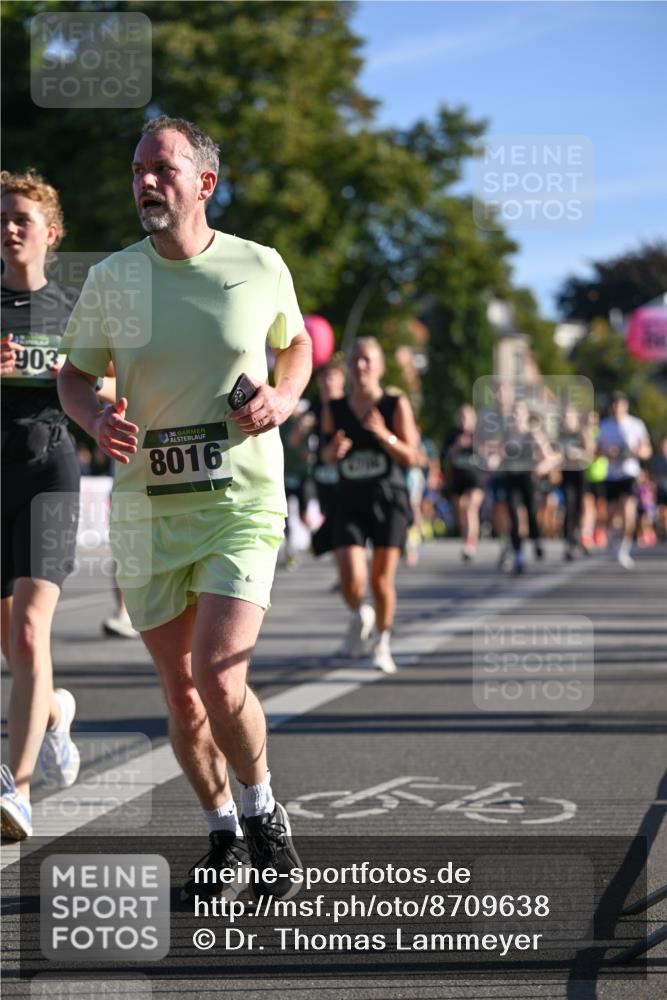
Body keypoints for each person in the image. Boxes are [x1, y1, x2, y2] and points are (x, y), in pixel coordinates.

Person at [58, 116, 312, 899]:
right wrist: (95, 416)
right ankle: (220, 833)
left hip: (241, 498)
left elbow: (295, 343)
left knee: (217, 673)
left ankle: (264, 808)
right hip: (148, 507)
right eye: (138, 169)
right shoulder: (113, 279)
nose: (145, 182)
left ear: (204, 183)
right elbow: (73, 374)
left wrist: (283, 394)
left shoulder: (258, 264)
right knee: (180, 694)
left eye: (162, 169)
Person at [1, 170, 84, 839]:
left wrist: (63, 376)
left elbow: (108, 385)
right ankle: (54, 711)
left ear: (48, 235)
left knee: (31, 630)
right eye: (2, 219)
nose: (8, 229)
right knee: (14, 645)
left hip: (49, 470)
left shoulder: (74, 310)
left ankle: (18, 789)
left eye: (22, 219)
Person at [320, 337, 420, 673]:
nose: (360, 366)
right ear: (348, 367)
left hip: (388, 500)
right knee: (351, 581)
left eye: (367, 360)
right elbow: (324, 453)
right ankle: (359, 614)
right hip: (349, 498)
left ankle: (382, 642)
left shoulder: (394, 404)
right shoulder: (335, 408)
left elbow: (412, 455)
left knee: (380, 581)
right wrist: (333, 452)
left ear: (379, 366)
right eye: (355, 361)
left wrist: (384, 434)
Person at [598, 392, 652, 569]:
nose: (617, 409)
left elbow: (647, 450)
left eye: (620, 406)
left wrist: (635, 452)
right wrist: (609, 453)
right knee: (612, 515)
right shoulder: (604, 426)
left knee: (629, 513)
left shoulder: (635, 424)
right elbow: (596, 451)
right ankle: (612, 542)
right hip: (611, 475)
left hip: (630, 473)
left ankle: (624, 550)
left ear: (625, 406)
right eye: (614, 406)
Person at [441, 405, 485, 561]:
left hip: (476, 479)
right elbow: (444, 456)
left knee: (470, 508)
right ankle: (466, 538)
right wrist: (456, 446)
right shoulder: (452, 434)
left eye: (467, 417)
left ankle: (470, 544)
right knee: (461, 510)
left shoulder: (480, 434)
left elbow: (490, 455)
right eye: (461, 417)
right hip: (458, 479)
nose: (464, 421)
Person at [557, 404, 594, 560]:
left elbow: (590, 455)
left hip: (580, 475)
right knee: (569, 507)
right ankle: (569, 541)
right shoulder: (560, 435)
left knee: (582, 508)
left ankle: (582, 537)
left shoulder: (582, 433)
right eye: (565, 416)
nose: (567, 419)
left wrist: (577, 454)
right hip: (566, 475)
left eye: (570, 416)